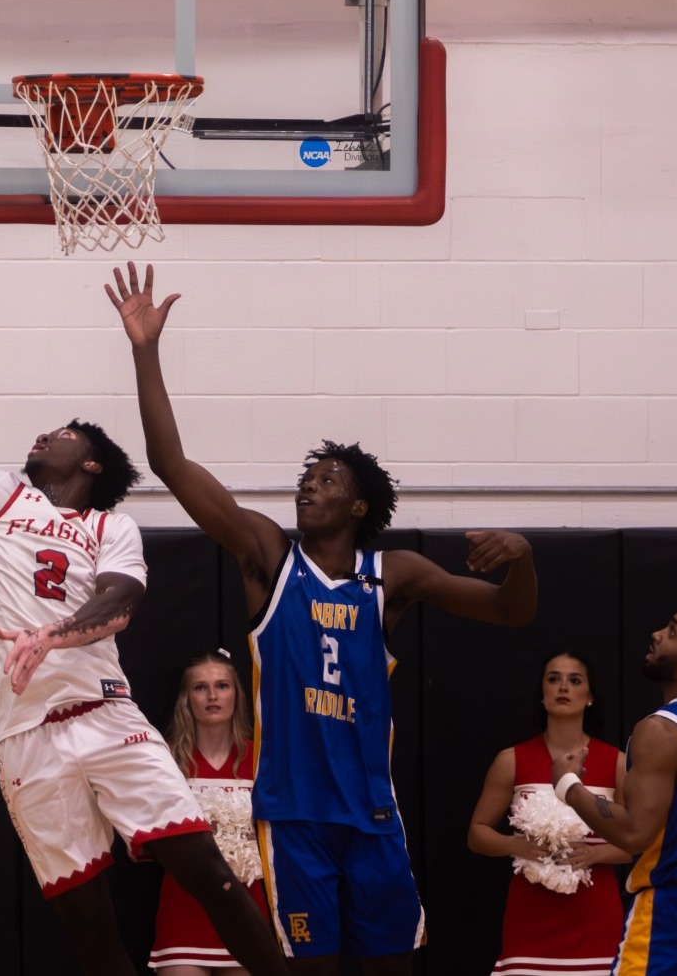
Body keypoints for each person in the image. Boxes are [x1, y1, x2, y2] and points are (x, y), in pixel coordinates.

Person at [0, 254, 288, 976]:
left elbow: (121, 600)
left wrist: (54, 634)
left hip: (106, 715)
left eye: (65, 433)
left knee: (211, 872)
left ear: (92, 463)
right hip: (26, 737)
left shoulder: (110, 526)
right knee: (89, 928)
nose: (46, 435)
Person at [108, 262, 537, 975]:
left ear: (358, 506)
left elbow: (509, 612)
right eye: (306, 478)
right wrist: (145, 351)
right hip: (295, 816)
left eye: (327, 479)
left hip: (372, 815)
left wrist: (522, 556)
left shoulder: (392, 574)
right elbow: (172, 464)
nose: (309, 486)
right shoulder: (268, 557)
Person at [552, 600, 677, 976]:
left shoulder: (662, 729)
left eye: (672, 631)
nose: (657, 634)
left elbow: (634, 833)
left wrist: (568, 785)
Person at [466, 651, 628, 976]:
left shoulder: (617, 763)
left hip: (596, 917)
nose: (562, 687)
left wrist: (594, 855)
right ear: (542, 693)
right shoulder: (511, 760)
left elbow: (634, 843)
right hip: (529, 916)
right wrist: (515, 845)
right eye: (554, 679)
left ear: (590, 696)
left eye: (574, 680)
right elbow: (476, 834)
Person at [150, 652, 265, 976]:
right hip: (184, 907)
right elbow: (141, 840)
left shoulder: (261, 758)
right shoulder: (166, 759)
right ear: (186, 698)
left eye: (222, 686)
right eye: (200, 687)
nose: (212, 695)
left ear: (236, 694)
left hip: (247, 908)